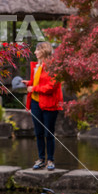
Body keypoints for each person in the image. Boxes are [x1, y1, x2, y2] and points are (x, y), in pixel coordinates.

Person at [21, 41, 63, 171]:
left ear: (43, 51)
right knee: (38, 133)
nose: (35, 52)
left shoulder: (53, 67)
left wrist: (34, 88)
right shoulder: (37, 66)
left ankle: (50, 160)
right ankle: (40, 159)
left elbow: (51, 86)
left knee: (48, 133)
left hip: (49, 104)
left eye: (37, 50)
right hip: (35, 103)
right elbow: (38, 82)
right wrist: (29, 83)